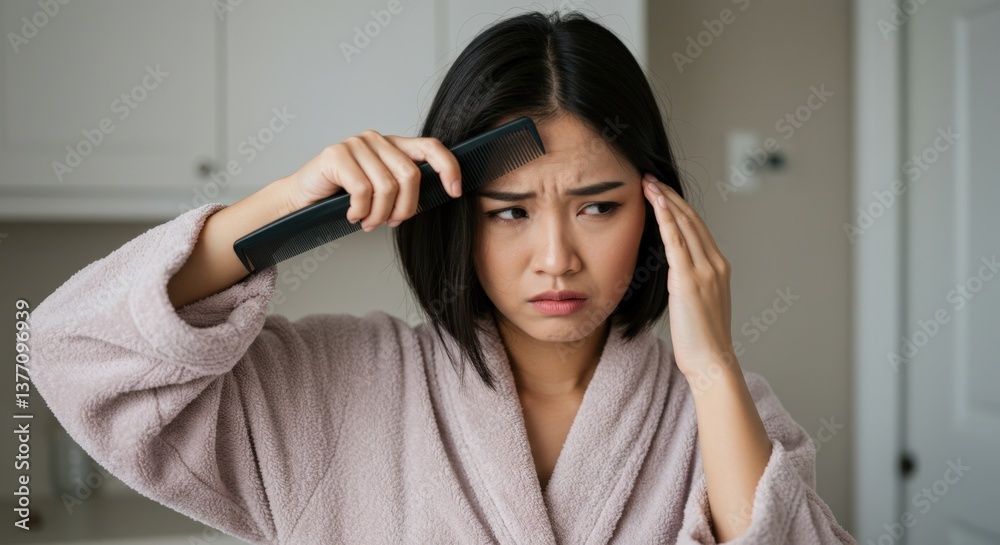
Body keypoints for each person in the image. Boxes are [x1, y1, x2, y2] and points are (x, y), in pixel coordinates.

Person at [29, 10, 856, 545]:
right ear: (456, 218)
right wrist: (287, 198)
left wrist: (710, 368)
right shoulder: (329, 388)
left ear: (656, 209)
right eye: (509, 212)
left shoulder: (717, 413)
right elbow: (75, 350)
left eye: (598, 207)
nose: (556, 256)